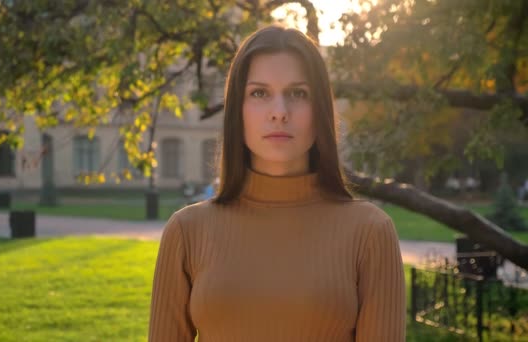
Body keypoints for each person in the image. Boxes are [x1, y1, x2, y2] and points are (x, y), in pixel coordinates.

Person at [148, 25, 405, 341]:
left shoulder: (370, 231)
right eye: (259, 93)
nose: (279, 113)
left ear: (320, 108)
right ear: (237, 110)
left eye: (298, 93)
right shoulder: (186, 231)